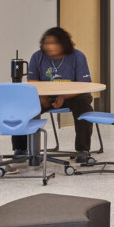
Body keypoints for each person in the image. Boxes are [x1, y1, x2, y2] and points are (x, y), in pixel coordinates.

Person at [26, 26, 94, 160]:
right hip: (45, 96)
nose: (50, 46)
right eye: (47, 43)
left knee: (84, 103)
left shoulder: (77, 56)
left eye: (54, 42)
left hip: (72, 96)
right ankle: (20, 149)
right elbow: (32, 82)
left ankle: (82, 150)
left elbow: (84, 86)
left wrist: (62, 96)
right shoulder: (37, 57)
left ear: (63, 43)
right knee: (23, 105)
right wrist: (41, 97)